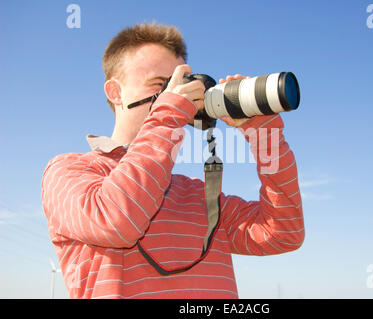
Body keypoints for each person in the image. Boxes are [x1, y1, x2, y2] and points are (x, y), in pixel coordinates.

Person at [41, 23, 305, 299]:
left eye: (182, 85)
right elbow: (117, 222)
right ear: (115, 92)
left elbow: (284, 232)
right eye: (160, 85)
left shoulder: (200, 195)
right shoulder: (66, 171)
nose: (178, 96)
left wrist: (265, 137)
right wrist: (167, 114)